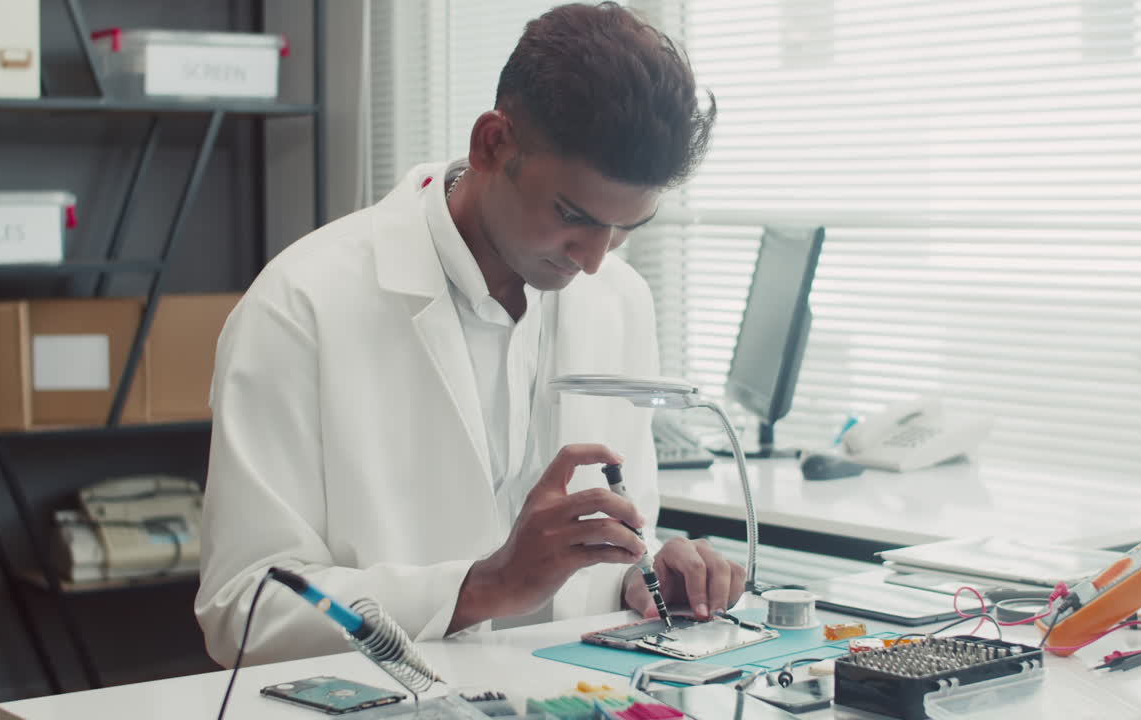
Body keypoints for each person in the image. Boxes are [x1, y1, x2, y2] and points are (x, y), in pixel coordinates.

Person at [195, 1, 744, 667]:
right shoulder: (301, 305)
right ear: (492, 144)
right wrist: (482, 588)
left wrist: (647, 574)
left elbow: (617, 535)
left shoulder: (619, 300)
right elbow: (244, 610)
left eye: (627, 227)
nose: (595, 259)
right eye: (572, 214)